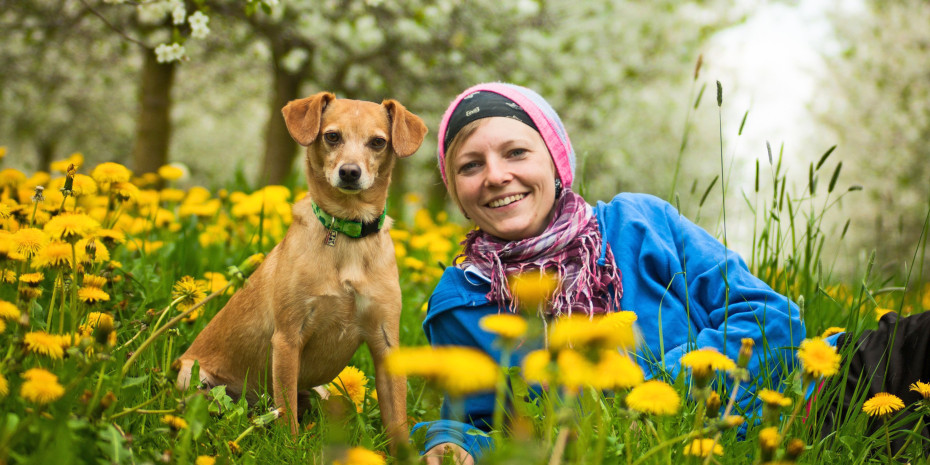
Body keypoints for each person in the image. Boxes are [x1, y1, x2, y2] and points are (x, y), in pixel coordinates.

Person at [411, 82, 930, 464]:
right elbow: (478, 421)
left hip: (809, 401)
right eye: (470, 165)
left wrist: (647, 392)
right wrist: (451, 444)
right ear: (455, 191)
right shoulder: (460, 302)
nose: (496, 175)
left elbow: (771, 318)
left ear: (556, 161)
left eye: (516, 152)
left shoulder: (641, 222)